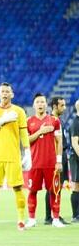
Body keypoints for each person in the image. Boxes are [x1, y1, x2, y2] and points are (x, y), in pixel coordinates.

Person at [0, 82, 30, 231]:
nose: (4, 94)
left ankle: (21, 220)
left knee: (17, 188)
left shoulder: (19, 111)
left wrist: (27, 152)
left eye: (7, 91)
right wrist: (1, 121)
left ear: (12, 94)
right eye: (2, 91)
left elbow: (23, 133)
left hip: (13, 155)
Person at [26, 93, 64, 228]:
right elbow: (26, 141)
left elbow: (59, 141)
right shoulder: (28, 121)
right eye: (38, 102)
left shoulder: (54, 121)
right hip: (34, 163)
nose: (40, 104)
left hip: (51, 163)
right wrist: (40, 132)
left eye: (42, 102)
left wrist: (59, 160)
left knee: (54, 191)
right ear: (33, 105)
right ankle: (31, 219)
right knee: (32, 191)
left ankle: (55, 219)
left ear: (46, 104)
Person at [44, 96, 70, 224]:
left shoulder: (59, 120)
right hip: (55, 157)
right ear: (55, 106)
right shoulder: (51, 121)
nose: (64, 108)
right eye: (62, 105)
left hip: (63, 154)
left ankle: (54, 215)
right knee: (53, 186)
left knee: (57, 186)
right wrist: (57, 158)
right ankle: (50, 217)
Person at [68, 100, 79, 222]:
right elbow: (75, 143)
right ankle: (75, 215)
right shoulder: (76, 123)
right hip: (76, 158)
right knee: (76, 185)